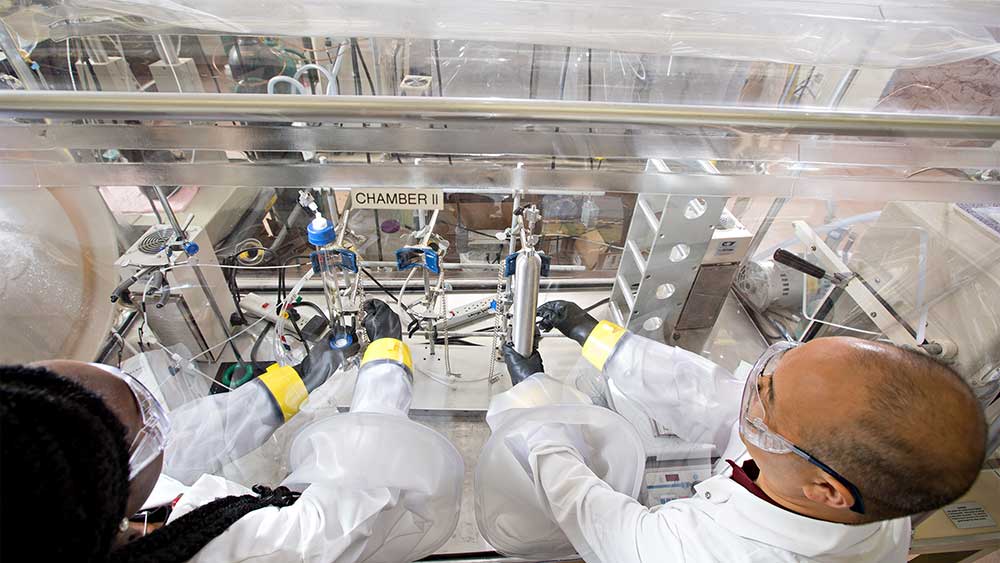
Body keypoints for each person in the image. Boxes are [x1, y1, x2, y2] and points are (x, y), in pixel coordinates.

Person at [491, 299, 987, 563]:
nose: (750, 385)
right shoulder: (876, 490)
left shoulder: (699, 555)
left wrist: (535, 402)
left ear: (826, 489)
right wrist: (597, 338)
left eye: (765, 396)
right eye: (776, 364)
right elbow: (712, 399)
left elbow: (586, 509)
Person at [0, 299, 463, 563]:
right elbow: (369, 478)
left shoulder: (70, 501)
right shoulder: (249, 551)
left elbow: (193, 438)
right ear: (116, 474)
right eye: (143, 416)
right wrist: (386, 357)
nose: (159, 417)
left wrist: (300, 378)